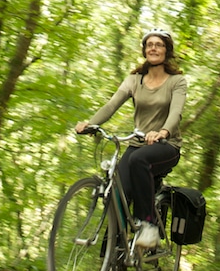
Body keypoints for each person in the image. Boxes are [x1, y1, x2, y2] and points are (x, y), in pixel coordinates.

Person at [75, 28, 185, 250]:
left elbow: (176, 113)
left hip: (166, 145)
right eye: (149, 44)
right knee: (117, 195)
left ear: (167, 51)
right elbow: (111, 105)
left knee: (138, 161)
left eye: (159, 44)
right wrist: (91, 124)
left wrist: (163, 132)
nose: (153, 48)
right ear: (144, 50)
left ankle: (149, 225)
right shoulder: (134, 80)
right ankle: (110, 263)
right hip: (138, 144)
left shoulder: (177, 81)